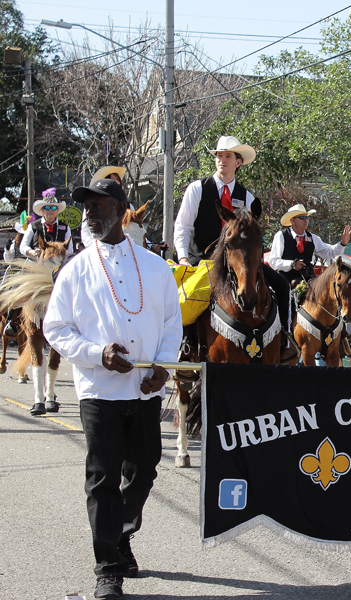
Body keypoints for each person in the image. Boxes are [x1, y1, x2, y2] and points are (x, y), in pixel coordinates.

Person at [43, 178, 181, 600]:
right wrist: (95, 353)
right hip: (98, 392)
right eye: (87, 208)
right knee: (102, 479)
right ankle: (108, 569)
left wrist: (163, 369)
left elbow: (171, 325)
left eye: (99, 207)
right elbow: (55, 328)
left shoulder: (157, 268)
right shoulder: (75, 270)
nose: (90, 215)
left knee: (144, 471)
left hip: (144, 392)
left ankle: (121, 534)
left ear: (122, 210)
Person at [173, 135, 294, 363]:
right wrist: (182, 258)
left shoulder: (247, 197)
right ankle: (183, 348)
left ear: (238, 162)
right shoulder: (197, 189)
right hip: (203, 261)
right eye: (219, 155)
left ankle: (285, 342)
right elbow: (183, 227)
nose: (222, 160)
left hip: (238, 261)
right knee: (186, 297)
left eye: (228, 156)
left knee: (282, 285)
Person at [268, 203, 351, 287]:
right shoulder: (281, 236)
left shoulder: (312, 238)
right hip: (287, 281)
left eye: (307, 217)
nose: (306, 221)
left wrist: (343, 243)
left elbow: (330, 252)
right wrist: (291, 264)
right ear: (293, 221)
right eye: (302, 218)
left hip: (309, 279)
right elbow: (273, 261)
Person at [20, 187, 73, 259]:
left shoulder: (65, 227)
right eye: (47, 208)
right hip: (36, 264)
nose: (50, 210)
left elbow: (70, 250)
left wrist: (57, 252)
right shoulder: (33, 226)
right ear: (42, 210)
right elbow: (23, 246)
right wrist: (32, 252)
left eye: (53, 208)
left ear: (57, 210)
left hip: (59, 264)